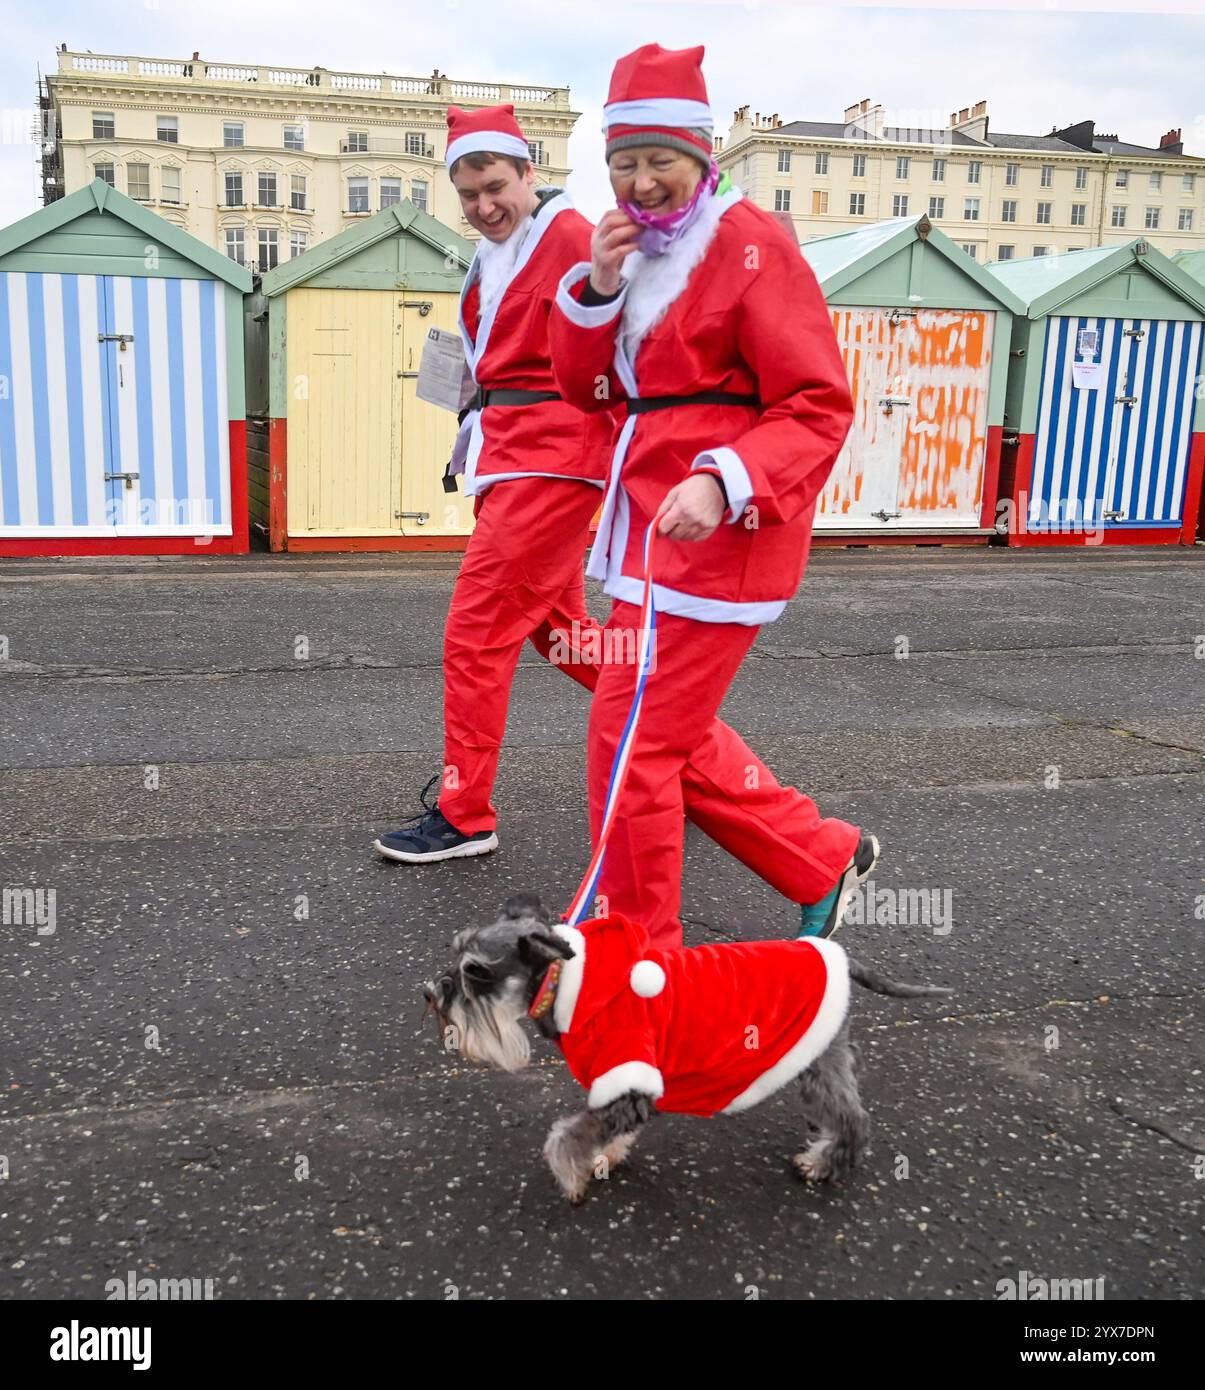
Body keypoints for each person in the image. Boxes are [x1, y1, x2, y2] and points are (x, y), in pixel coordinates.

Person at [548, 42, 878, 950]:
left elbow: (816, 403)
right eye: (624, 162)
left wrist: (722, 478)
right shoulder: (627, 257)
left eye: (661, 160)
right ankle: (817, 859)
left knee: (630, 746)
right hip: (648, 538)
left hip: (719, 541)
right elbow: (589, 392)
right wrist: (599, 288)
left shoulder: (750, 242)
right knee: (663, 734)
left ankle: (633, 950)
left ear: (702, 158)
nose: (642, 181)